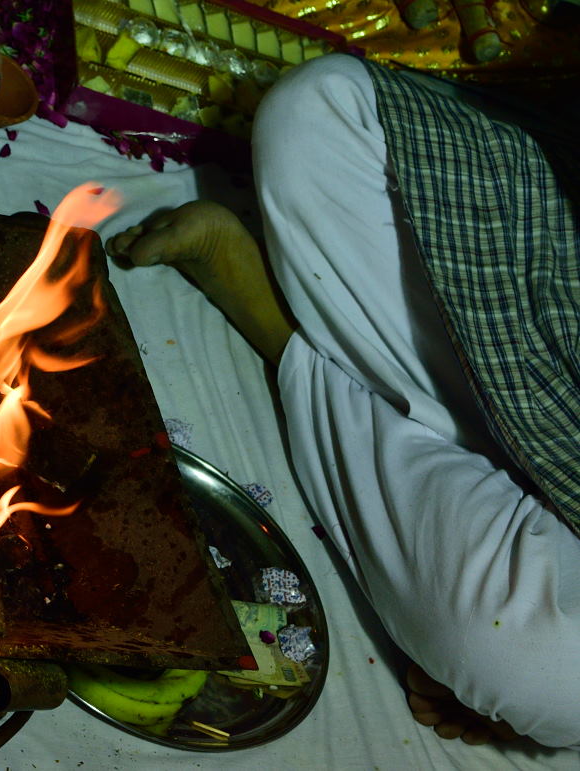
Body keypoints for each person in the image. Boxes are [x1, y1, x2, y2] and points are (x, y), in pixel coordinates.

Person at [107, 54, 580, 749]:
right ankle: (436, 444)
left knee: (532, 662)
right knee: (319, 110)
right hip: (554, 342)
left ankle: (273, 323)